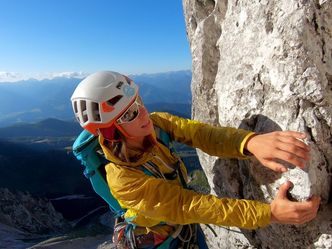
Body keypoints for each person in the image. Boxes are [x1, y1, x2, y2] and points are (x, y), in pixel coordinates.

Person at [71, 71, 320, 248]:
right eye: (132, 113)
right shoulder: (122, 179)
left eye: (139, 101)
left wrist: (250, 142)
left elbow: (200, 134)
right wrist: (269, 214)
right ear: (110, 132)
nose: (144, 114)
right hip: (156, 241)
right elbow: (189, 206)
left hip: (181, 227)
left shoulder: (157, 124)